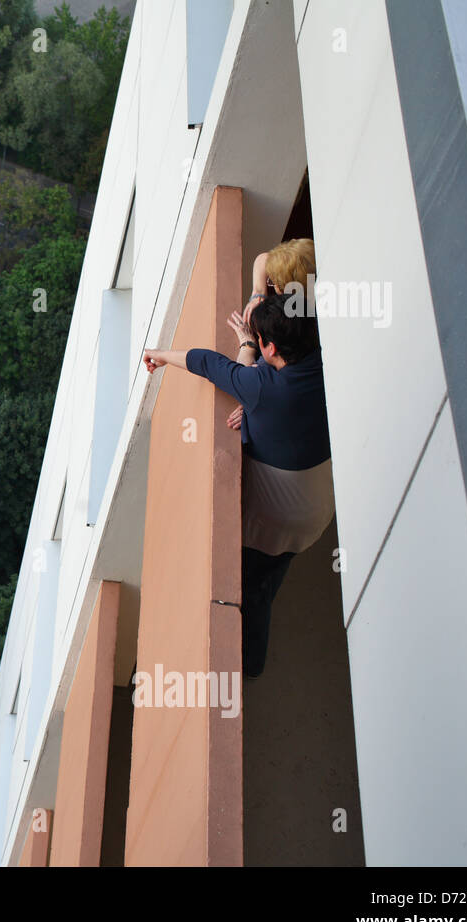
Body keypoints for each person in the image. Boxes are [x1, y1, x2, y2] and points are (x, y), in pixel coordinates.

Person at [141, 284, 333, 679]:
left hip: (280, 520)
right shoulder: (321, 362)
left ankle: (251, 665)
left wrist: (160, 355)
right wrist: (255, 409)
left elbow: (212, 365)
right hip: (319, 504)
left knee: (254, 591)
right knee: (272, 576)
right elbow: (264, 388)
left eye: (261, 341)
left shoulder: (262, 387)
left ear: (271, 349)